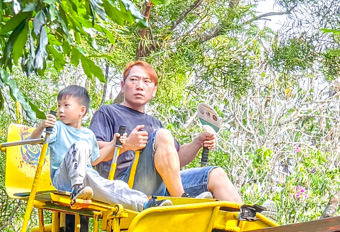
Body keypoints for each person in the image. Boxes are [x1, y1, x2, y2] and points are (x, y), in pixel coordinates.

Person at [91, 61, 242, 202]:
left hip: (159, 185)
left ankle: (246, 223)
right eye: (134, 80)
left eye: (146, 82)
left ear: (154, 90)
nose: (140, 86)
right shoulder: (108, 112)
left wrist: (198, 142)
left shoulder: (155, 123)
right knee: (162, 134)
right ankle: (181, 200)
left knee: (216, 175)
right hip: (124, 187)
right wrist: (126, 145)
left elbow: (175, 161)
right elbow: (93, 153)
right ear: (123, 86)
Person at [30, 85, 167, 212]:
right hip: (64, 180)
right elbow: (32, 141)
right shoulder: (57, 128)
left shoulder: (88, 134)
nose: (60, 110)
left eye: (66, 106)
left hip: (87, 178)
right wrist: (42, 126)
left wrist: (114, 144)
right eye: (59, 105)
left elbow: (95, 160)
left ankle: (145, 204)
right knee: (80, 145)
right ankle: (77, 188)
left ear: (81, 111)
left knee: (117, 186)